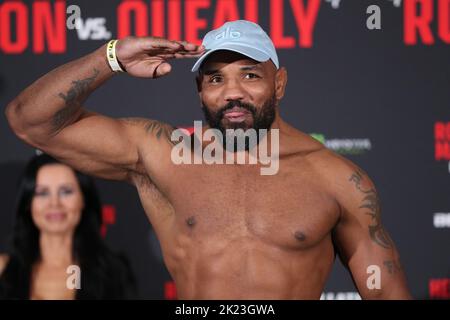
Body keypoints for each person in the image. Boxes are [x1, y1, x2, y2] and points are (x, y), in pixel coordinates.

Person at [5, 20, 411, 299]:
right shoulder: (162, 154)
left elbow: (386, 292)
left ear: (280, 82)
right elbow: (30, 122)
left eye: (250, 75)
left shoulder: (337, 179)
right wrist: (111, 57)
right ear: (200, 90)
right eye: (216, 79)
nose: (232, 92)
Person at [0, 153, 135, 299]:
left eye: (66, 191)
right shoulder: (3, 270)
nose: (55, 203)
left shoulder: (112, 272)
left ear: (83, 199)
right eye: (42, 193)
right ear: (28, 204)